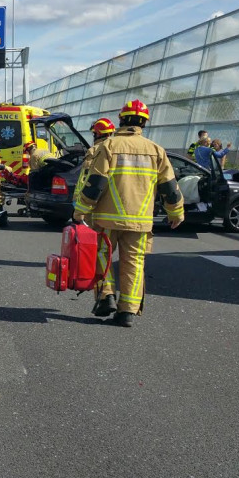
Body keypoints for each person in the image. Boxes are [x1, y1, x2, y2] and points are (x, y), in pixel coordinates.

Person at [73, 100, 185, 328]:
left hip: (106, 218)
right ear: (144, 122)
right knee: (134, 264)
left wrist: (81, 211)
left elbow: (96, 183)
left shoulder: (109, 147)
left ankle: (106, 296)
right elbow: (170, 188)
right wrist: (176, 213)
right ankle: (127, 312)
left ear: (121, 119)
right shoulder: (156, 150)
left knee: (101, 257)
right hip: (141, 222)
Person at [73, 118, 116, 200]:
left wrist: (78, 198)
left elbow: (86, 176)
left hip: (87, 198)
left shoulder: (94, 150)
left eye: (94, 133)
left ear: (98, 134)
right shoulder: (114, 148)